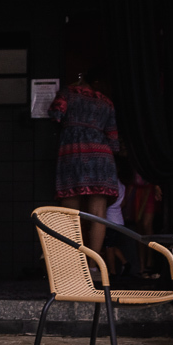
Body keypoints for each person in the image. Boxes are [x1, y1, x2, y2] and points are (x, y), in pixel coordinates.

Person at [49, 72, 120, 254]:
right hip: (101, 159)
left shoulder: (69, 93)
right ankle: (93, 266)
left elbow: (56, 113)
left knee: (70, 215)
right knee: (98, 215)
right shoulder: (107, 102)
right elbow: (113, 139)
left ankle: (74, 264)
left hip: (73, 155)